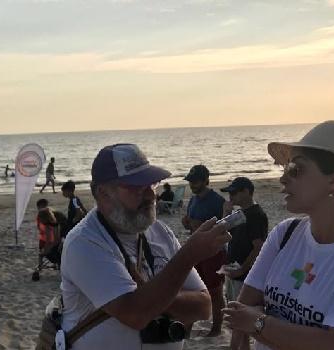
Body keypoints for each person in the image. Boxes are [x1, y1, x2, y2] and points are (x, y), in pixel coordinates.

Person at [60, 144, 230, 350]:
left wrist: (150, 295)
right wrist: (189, 255)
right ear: (102, 193)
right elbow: (135, 314)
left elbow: (203, 307)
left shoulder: (159, 232)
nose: (151, 195)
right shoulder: (85, 242)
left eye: (152, 184)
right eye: (136, 188)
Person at [225, 121, 334, 350]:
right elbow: (241, 309)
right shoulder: (285, 233)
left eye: (296, 170)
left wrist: (257, 321)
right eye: (285, 169)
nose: (283, 179)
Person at [181, 164, 227, 337]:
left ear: (206, 180)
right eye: (190, 181)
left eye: (196, 181)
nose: (192, 185)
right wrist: (187, 222)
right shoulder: (193, 199)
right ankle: (187, 328)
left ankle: (216, 329)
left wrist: (202, 226)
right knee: (193, 290)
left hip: (214, 252)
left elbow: (226, 228)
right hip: (196, 251)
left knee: (215, 292)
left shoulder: (217, 201)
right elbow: (192, 224)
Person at [219, 177, 268, 302]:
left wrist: (241, 270)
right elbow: (222, 233)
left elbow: (259, 247)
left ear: (246, 192)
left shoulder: (255, 215)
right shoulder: (240, 213)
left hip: (245, 275)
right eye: (229, 193)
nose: (230, 196)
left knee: (239, 311)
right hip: (233, 270)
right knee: (231, 307)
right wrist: (225, 212)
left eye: (234, 193)